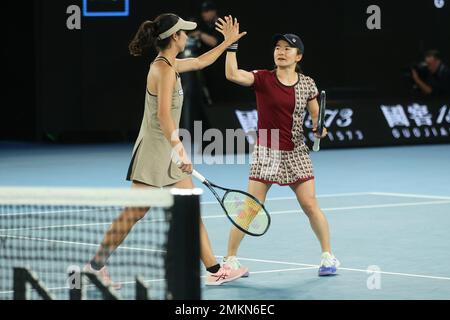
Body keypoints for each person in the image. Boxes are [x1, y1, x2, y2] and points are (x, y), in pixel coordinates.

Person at [83, 13, 248, 288]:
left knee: (189, 210)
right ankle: (95, 266)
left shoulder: (171, 64)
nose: (187, 36)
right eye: (184, 32)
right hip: (154, 152)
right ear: (175, 37)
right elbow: (163, 116)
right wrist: (180, 151)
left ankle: (215, 269)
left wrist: (228, 43)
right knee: (134, 213)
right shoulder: (162, 70)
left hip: (167, 151)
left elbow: (199, 61)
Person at [216, 16, 340, 276]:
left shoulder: (307, 84)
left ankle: (328, 256)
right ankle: (230, 260)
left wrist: (320, 128)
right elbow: (230, 74)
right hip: (268, 149)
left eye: (288, 48)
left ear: (299, 56)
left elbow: (316, 118)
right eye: (278, 48)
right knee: (250, 208)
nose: (281, 52)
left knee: (309, 204)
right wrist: (231, 46)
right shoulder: (262, 78)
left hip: (296, 149)